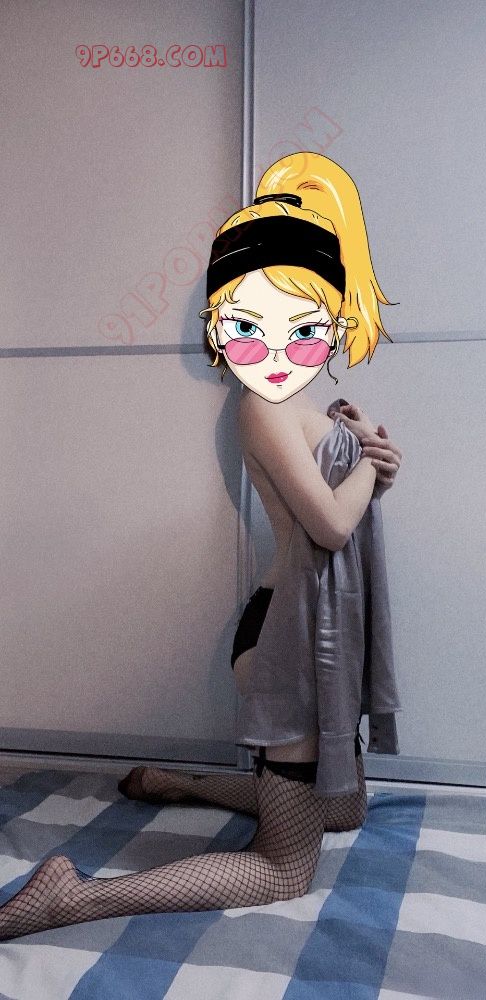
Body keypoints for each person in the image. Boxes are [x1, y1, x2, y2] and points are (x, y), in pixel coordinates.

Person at [0, 152, 402, 941]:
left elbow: (336, 506)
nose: (277, 342)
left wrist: (361, 449)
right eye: (251, 320)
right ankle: (72, 897)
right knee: (284, 870)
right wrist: (376, 472)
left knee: (344, 806)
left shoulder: (304, 404)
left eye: (302, 321)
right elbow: (329, 525)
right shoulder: (260, 405)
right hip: (288, 641)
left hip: (316, 632)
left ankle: (178, 784)